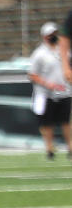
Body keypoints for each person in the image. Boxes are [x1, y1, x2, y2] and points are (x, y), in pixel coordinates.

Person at [28, 21, 71, 161]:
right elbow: (32, 74)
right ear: (45, 36)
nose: (54, 36)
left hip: (64, 91)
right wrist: (48, 84)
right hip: (45, 93)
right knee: (47, 123)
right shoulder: (39, 54)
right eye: (51, 34)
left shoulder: (64, 50)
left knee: (66, 121)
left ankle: (70, 148)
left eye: (55, 33)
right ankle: (49, 149)